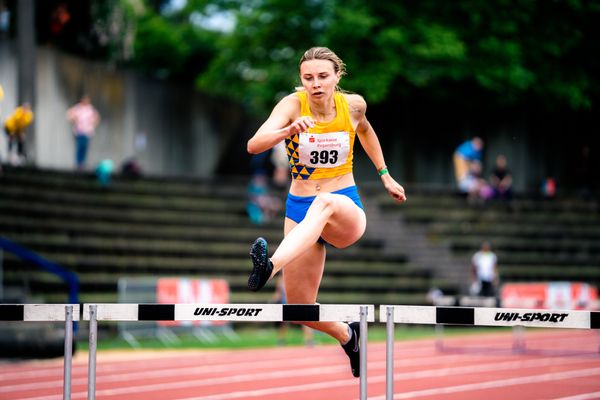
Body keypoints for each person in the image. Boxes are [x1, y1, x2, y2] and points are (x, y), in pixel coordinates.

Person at [245, 47, 406, 378]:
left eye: (322, 76)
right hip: (300, 208)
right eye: (308, 78)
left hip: (343, 206)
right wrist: (287, 131)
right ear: (301, 80)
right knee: (299, 309)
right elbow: (254, 144)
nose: (315, 84)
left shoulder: (354, 105)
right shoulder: (292, 104)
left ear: (337, 76)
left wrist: (384, 174)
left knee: (326, 201)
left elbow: (365, 130)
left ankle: (269, 268)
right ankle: (349, 336)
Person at [273, 277, 315, 347]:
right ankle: (281, 340)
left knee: (305, 322)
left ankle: (309, 340)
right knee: (284, 323)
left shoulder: (297, 277)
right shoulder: (281, 280)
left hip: (298, 302)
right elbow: (278, 293)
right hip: (286, 303)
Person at [67, 95, 100, 169]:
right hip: (79, 131)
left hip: (88, 131)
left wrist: (93, 124)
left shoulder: (90, 109)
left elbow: (97, 117)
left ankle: (82, 163)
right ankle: (78, 163)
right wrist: (74, 119)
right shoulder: (78, 108)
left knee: (85, 147)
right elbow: (69, 115)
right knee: (80, 146)